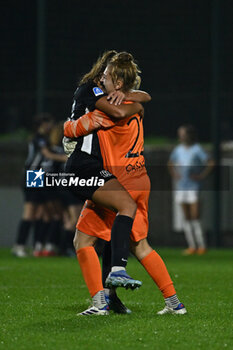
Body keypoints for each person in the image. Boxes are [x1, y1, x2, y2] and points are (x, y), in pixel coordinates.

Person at [65, 52, 187, 316]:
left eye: (107, 76)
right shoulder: (131, 101)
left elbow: (72, 129)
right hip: (140, 177)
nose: (102, 79)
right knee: (139, 244)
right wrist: (138, 101)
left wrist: (71, 127)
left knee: (85, 240)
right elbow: (143, 98)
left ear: (117, 83)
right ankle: (174, 303)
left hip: (118, 180)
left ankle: (107, 291)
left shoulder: (108, 108)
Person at [12, 114, 66, 257]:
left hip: (40, 176)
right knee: (30, 212)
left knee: (42, 213)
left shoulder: (45, 139)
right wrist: (68, 158)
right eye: (49, 124)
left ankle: (37, 244)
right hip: (33, 175)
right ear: (42, 124)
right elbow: (47, 154)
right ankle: (19, 245)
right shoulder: (39, 138)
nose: (51, 127)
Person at [168, 125, 215, 255]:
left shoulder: (197, 149)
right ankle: (192, 246)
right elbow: (170, 163)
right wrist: (175, 175)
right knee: (186, 217)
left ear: (189, 135)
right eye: (180, 134)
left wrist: (201, 176)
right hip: (181, 187)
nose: (181, 136)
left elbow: (210, 162)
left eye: (183, 134)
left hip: (193, 186)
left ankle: (202, 245)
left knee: (195, 216)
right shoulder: (178, 150)